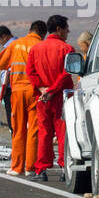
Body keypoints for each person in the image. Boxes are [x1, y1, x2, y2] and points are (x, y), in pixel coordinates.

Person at [25, 14, 74, 181]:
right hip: (60, 97)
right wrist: (53, 90)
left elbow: (30, 72)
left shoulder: (36, 49)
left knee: (44, 133)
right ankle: (63, 169)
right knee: (62, 133)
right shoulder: (67, 49)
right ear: (59, 29)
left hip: (43, 98)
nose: (68, 31)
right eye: (66, 28)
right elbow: (67, 74)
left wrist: (43, 89)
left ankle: (41, 170)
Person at [3, 20, 46, 175]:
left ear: (30, 30)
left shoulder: (16, 44)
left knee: (18, 129)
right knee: (34, 130)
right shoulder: (42, 46)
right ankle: (31, 168)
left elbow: (2, 63)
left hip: (18, 91)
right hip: (35, 92)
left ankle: (17, 167)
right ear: (43, 34)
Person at [0, 25, 14, 130]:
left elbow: (8, 69)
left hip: (11, 87)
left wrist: (4, 88)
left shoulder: (10, 47)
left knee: (12, 117)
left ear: (4, 36)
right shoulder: (20, 43)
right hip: (19, 86)